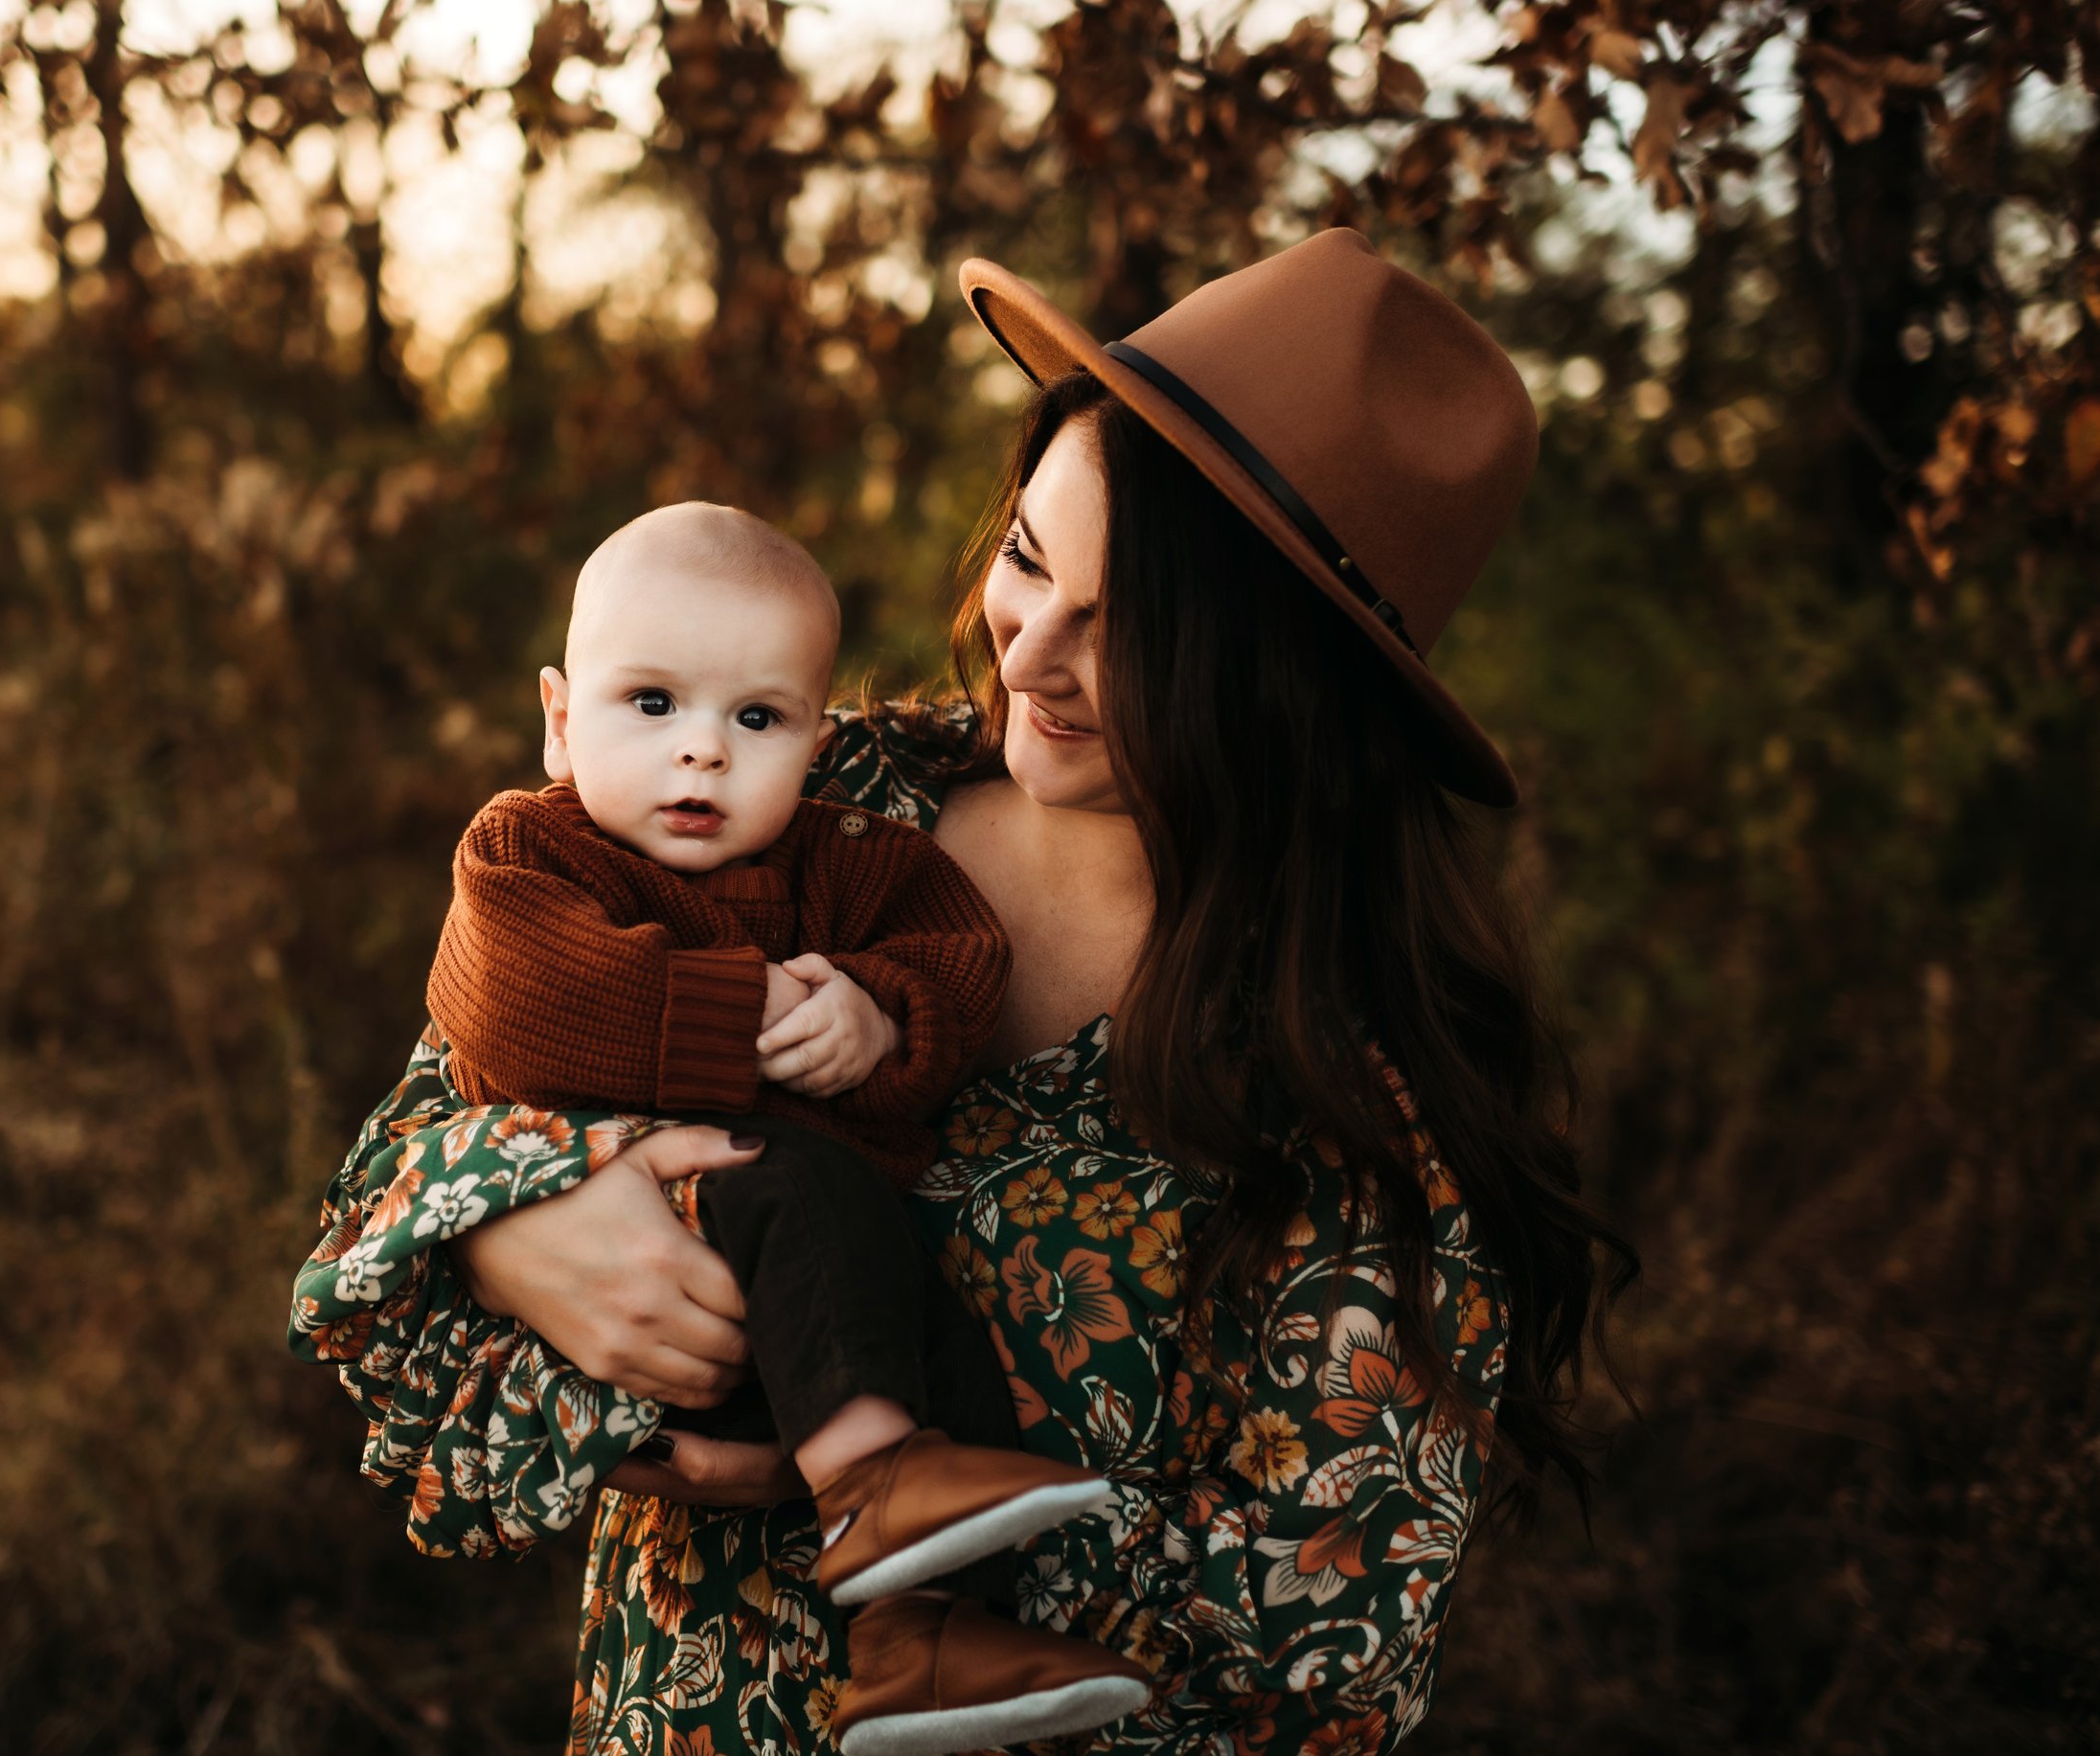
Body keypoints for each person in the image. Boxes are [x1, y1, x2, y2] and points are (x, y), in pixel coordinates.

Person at [292, 228, 1633, 1753]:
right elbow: (375, 1209)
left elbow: (1324, 1657)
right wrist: (526, 1237)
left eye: (1130, 630)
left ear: (1290, 688)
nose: (1033, 653)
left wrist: (850, 1459)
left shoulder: (1347, 1088)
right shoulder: (808, 792)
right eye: (1029, 558)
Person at [349, 497, 1153, 1751]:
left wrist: (881, 1018)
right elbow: (523, 1007)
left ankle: (922, 1638)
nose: (703, 754)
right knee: (805, 1184)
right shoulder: (535, 851)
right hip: (666, 1320)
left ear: (817, 743)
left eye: (757, 718)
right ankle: (880, 1491)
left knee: (931, 1319)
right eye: (652, 704)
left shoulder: (847, 850)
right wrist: (749, 1010)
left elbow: (956, 951)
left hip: (814, 1339)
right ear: (561, 720)